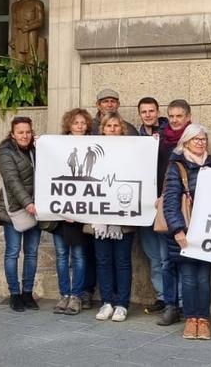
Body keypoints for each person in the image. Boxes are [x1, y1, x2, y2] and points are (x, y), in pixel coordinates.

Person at [163, 123, 211, 340]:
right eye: (196, 139)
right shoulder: (176, 166)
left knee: (204, 278)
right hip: (185, 231)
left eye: (203, 139)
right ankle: (190, 319)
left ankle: (203, 319)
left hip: (207, 231)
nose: (200, 142)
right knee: (187, 277)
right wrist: (178, 230)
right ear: (186, 141)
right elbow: (169, 202)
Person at [92, 113, 136, 323]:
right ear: (102, 129)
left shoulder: (131, 150)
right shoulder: (94, 150)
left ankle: (122, 304)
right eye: (108, 125)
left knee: (122, 261)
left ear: (122, 128)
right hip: (100, 216)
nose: (112, 129)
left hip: (123, 217)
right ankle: (107, 301)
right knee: (102, 260)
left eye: (116, 125)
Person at [0, 115, 41, 313]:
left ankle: (27, 293)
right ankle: (14, 294)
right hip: (14, 210)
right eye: (20, 132)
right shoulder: (5, 153)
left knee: (31, 253)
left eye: (28, 132)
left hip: (35, 209)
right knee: (13, 252)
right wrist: (27, 203)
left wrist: (43, 146)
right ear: (13, 134)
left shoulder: (35, 150)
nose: (25, 135)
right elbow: (12, 181)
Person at [156, 99, 193, 327]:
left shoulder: (196, 140)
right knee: (167, 260)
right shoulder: (159, 141)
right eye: (171, 116)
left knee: (186, 261)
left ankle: (185, 305)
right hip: (165, 205)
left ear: (188, 117)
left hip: (188, 210)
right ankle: (171, 306)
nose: (175, 120)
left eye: (179, 116)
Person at [51, 109, 91, 315]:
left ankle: (76, 295)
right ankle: (64, 294)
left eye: (83, 123)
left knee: (78, 255)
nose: (80, 126)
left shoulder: (93, 144)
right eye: (76, 122)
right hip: (60, 213)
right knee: (61, 255)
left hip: (80, 213)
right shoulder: (57, 145)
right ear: (69, 124)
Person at [135, 96, 171, 315]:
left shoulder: (169, 136)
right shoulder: (135, 137)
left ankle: (173, 300)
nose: (148, 114)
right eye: (144, 111)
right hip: (142, 206)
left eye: (151, 111)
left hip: (163, 203)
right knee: (153, 255)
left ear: (157, 112)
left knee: (167, 255)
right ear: (140, 114)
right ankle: (161, 296)